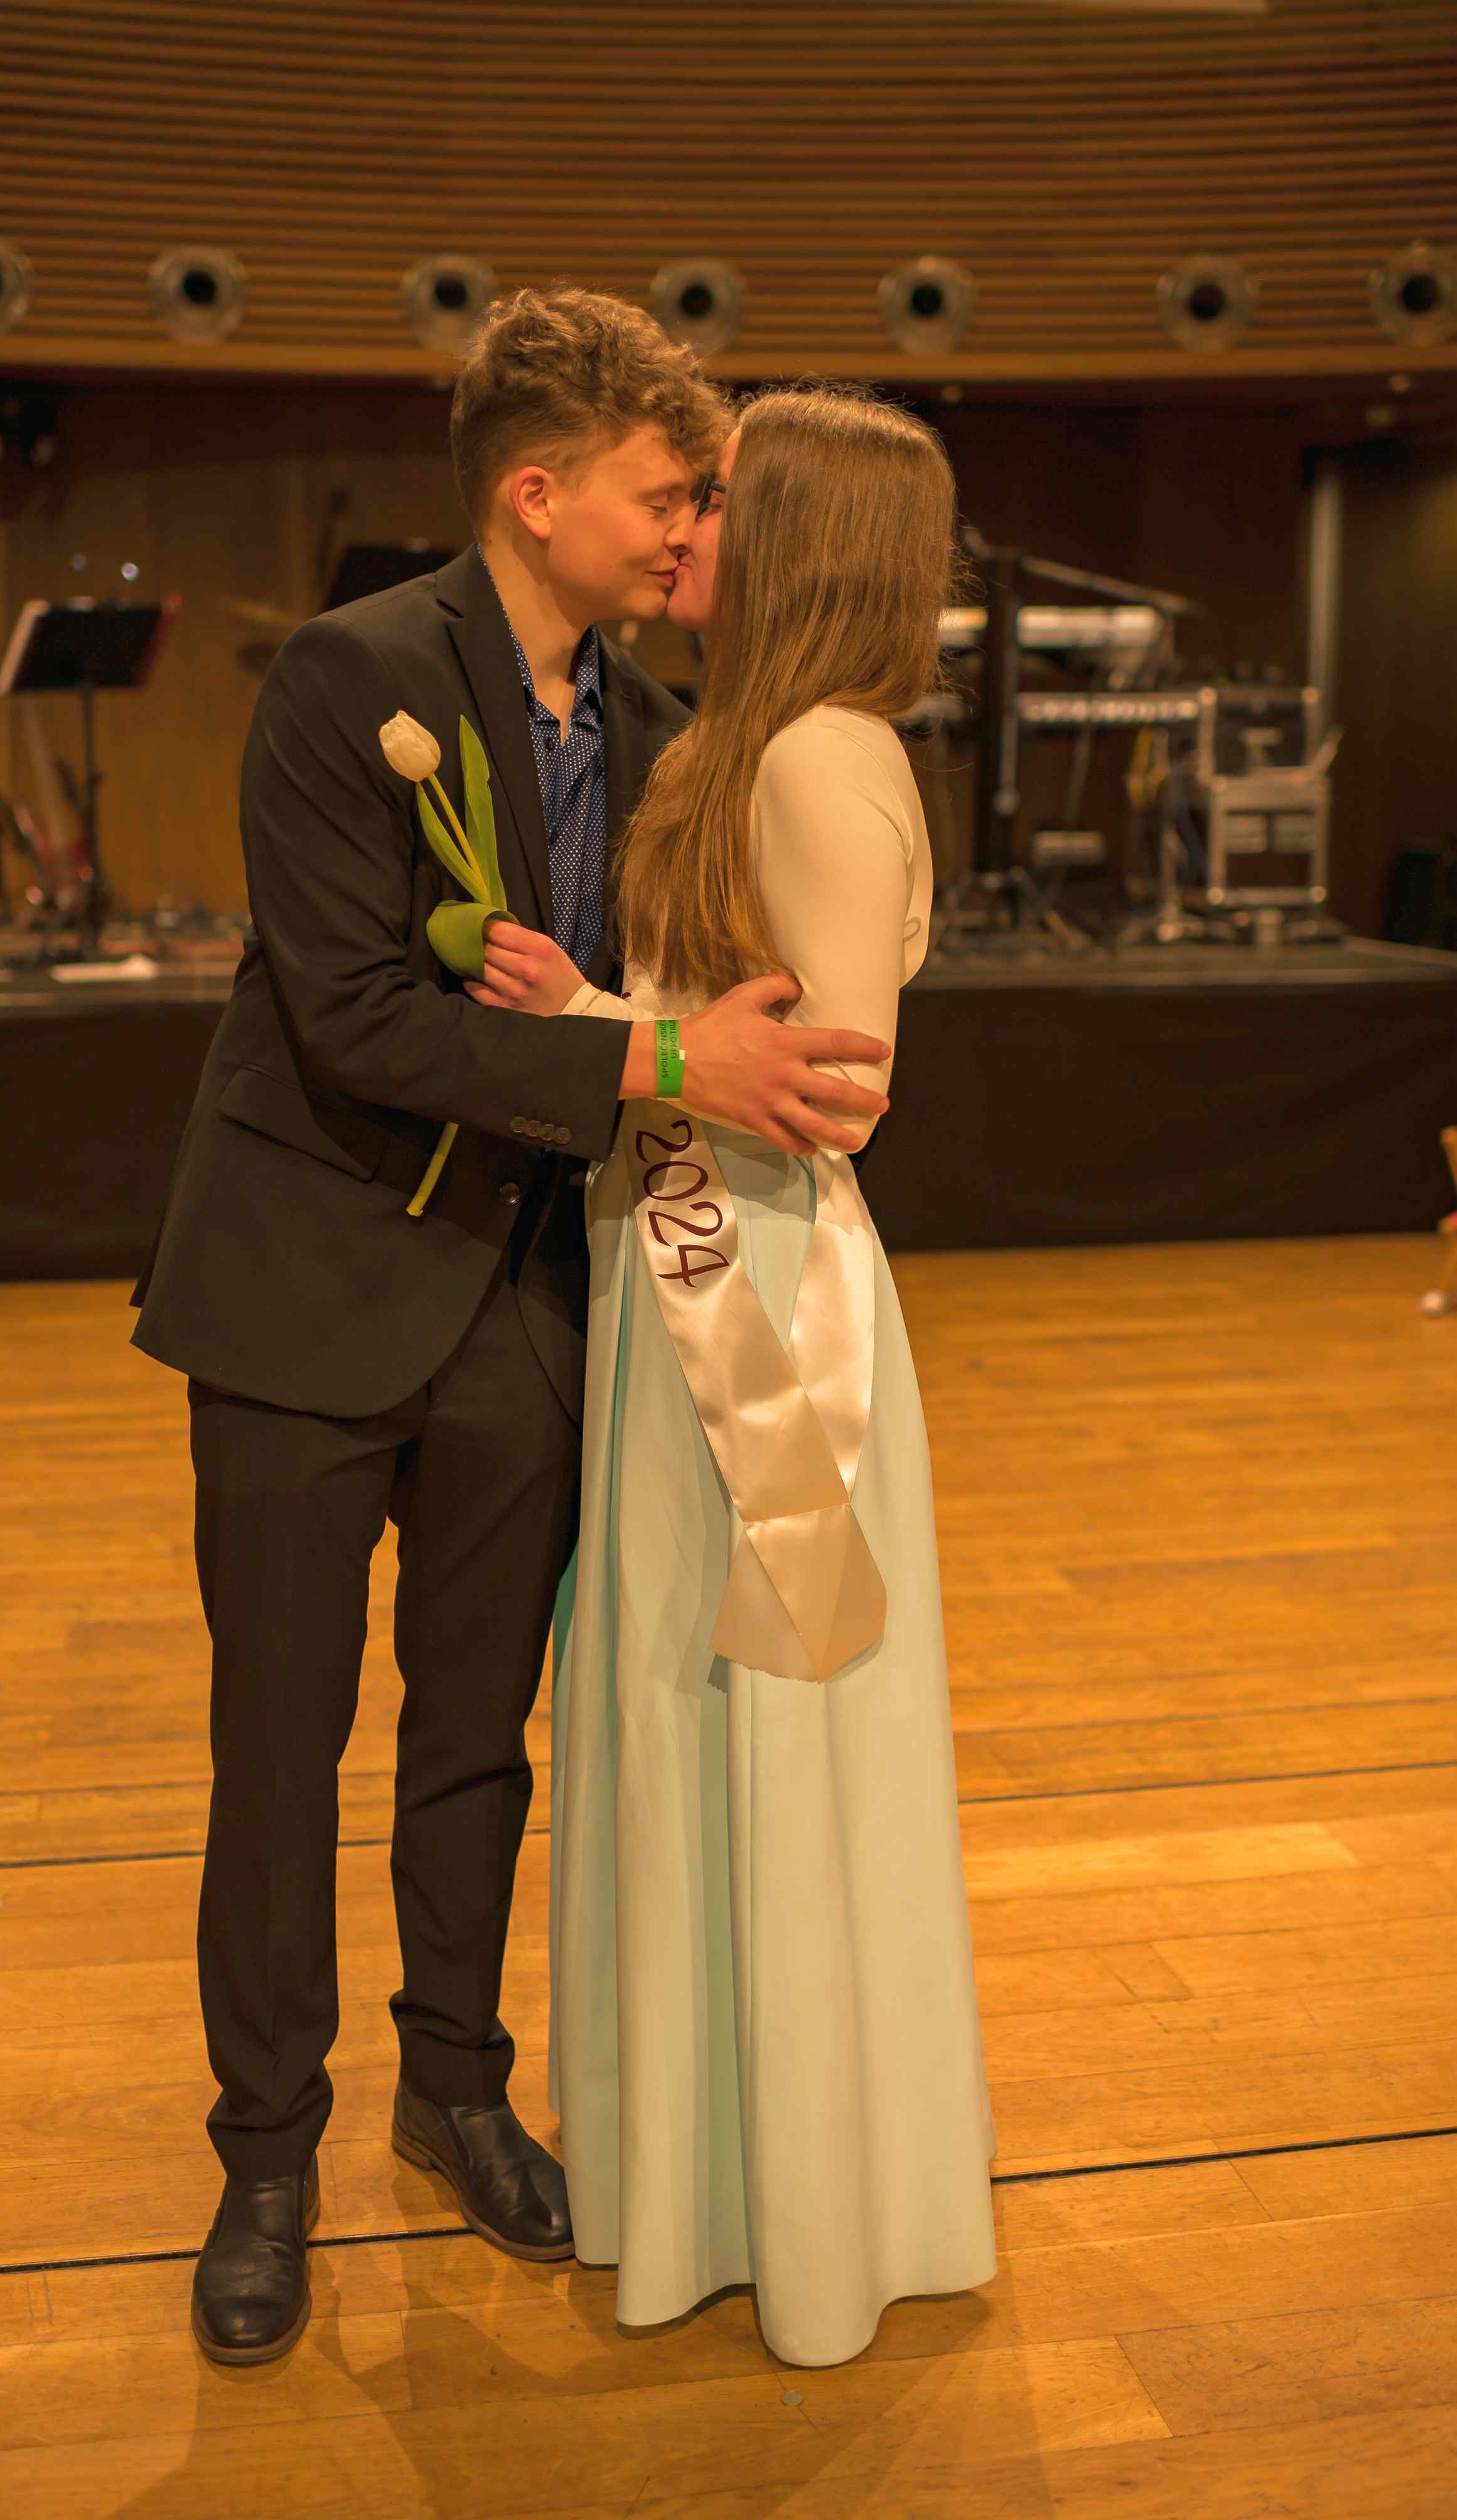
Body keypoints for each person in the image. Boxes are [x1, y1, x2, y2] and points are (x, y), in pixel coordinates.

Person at [130, 294, 896, 2366]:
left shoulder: (652, 728)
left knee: (479, 1736)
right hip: (300, 1293)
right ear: (535, 494)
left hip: (527, 1302)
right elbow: (352, 1021)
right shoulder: (352, 675)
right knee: (278, 1753)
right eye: (666, 495)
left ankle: (453, 2088)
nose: (691, 532)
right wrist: (664, 1060)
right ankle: (263, 2158)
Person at [467, 385, 999, 2368]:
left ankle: (797, 2201)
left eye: (723, 505)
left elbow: (833, 1091)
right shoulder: (738, 746)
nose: (684, 532)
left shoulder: (815, 760)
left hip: (758, 1305)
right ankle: (709, 2177)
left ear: (802, 546)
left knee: (761, 1724)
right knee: (686, 1718)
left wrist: (592, 1016)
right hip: (687, 1271)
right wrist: (613, 1021)